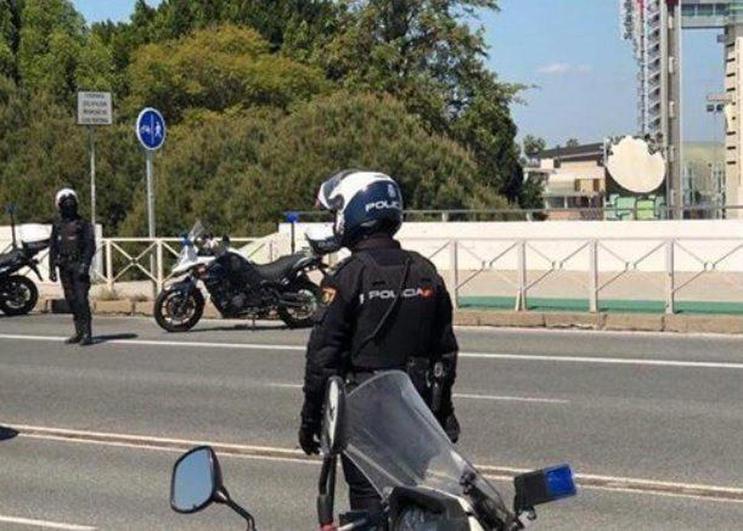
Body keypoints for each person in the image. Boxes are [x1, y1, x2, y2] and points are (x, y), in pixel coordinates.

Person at [298, 170, 460, 514]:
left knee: (372, 507)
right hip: (417, 416)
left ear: (354, 211)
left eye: (335, 211)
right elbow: (445, 355)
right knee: (414, 502)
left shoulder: (347, 276)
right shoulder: (425, 271)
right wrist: (443, 414)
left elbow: (323, 359)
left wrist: (311, 421)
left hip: (365, 419)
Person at [49, 188, 95, 346]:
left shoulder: (83, 224)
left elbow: (90, 246)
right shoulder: (57, 225)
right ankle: (78, 332)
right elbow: (53, 247)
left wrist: (85, 265)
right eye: (65, 205)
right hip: (64, 266)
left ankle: (87, 333)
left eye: (71, 204)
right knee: (71, 300)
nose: (69, 207)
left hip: (78, 265)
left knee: (82, 300)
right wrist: (51, 269)